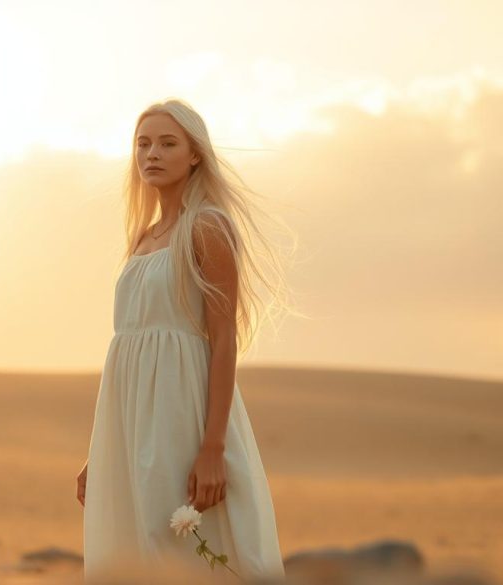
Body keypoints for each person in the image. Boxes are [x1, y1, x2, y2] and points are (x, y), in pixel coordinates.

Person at [77, 98, 297, 581]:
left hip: (182, 410)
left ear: (195, 154)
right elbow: (129, 347)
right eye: (143, 144)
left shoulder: (208, 226)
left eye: (167, 143)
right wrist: (102, 449)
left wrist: (212, 448)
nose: (152, 154)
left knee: (179, 544)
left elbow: (223, 338)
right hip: (130, 417)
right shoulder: (143, 238)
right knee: (135, 545)